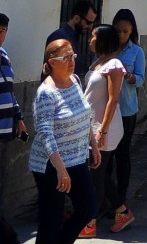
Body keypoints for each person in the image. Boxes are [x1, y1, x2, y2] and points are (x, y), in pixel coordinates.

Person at [29, 40, 101, 244]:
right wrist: (60, 168)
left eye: (73, 56)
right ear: (52, 62)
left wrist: (93, 143)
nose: (72, 61)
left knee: (88, 208)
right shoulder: (46, 93)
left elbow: (84, 114)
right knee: (51, 218)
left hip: (77, 158)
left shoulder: (75, 80)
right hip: (52, 164)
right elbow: (44, 132)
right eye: (66, 57)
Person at [80, 24, 125, 239]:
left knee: (95, 174)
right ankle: (122, 212)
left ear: (103, 40)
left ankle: (90, 222)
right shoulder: (98, 63)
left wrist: (103, 131)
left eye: (93, 36)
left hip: (104, 128)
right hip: (92, 127)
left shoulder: (114, 65)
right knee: (100, 172)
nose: (90, 39)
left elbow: (113, 99)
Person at [109, 9, 145, 231]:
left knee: (122, 155)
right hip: (106, 111)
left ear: (131, 31)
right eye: (118, 31)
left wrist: (130, 77)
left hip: (126, 110)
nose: (121, 35)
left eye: (125, 31)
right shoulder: (106, 48)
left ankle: (120, 200)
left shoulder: (137, 51)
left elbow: (141, 79)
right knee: (105, 158)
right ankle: (108, 199)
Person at [0, 15, 27, 244]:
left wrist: (18, 118)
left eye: (3, 30)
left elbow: (9, 91)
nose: (0, 34)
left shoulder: (4, 56)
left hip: (5, 135)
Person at [46, 1, 97, 78]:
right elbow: (52, 71)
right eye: (88, 23)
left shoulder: (74, 36)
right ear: (76, 18)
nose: (90, 27)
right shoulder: (59, 37)